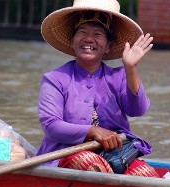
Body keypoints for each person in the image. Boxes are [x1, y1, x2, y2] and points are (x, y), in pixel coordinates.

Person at [37, 0, 159, 177]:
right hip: (65, 155)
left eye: (98, 34)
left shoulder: (119, 76)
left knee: (146, 174)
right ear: (72, 40)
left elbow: (138, 110)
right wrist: (92, 131)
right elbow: (51, 126)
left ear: (108, 46)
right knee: (92, 164)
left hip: (117, 156)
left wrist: (131, 68)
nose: (89, 38)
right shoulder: (55, 79)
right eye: (83, 32)